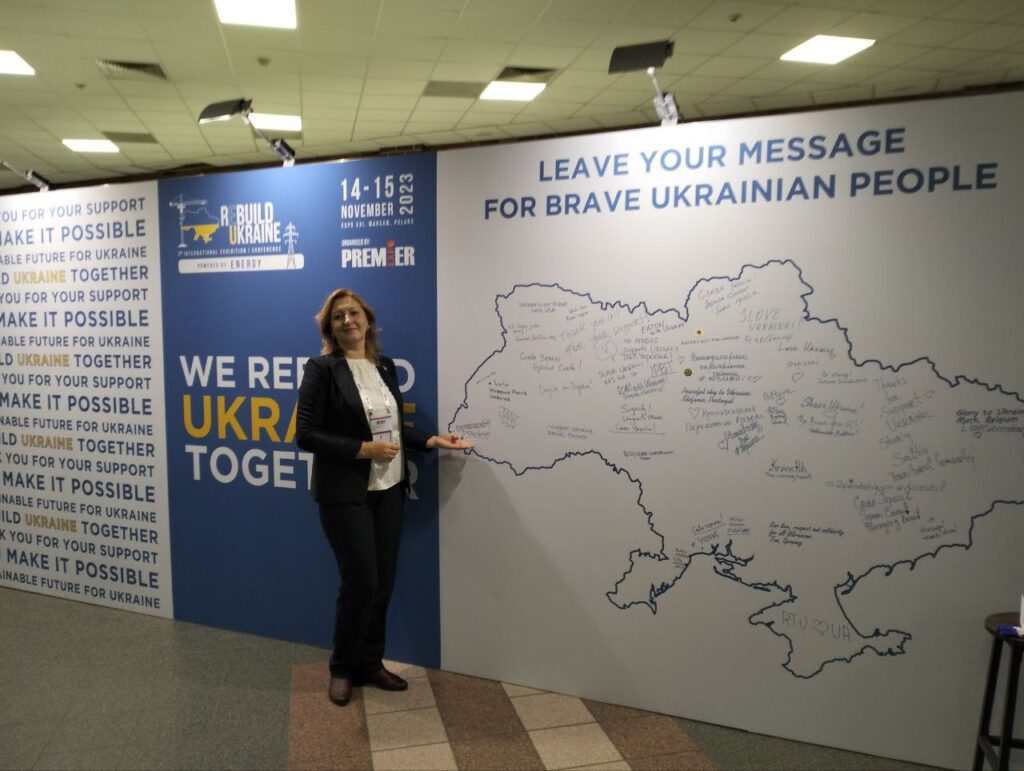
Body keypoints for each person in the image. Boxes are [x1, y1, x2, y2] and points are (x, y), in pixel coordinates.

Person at [296, 288, 472, 707]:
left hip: (389, 490)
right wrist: (363, 450)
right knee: (360, 581)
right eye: (338, 317)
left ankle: (370, 663)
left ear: (368, 321)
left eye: (353, 313)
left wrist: (430, 440)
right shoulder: (321, 369)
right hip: (346, 493)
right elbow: (306, 435)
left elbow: (390, 428)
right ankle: (342, 668)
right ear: (330, 328)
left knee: (383, 582)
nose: (347, 321)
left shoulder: (384, 367)